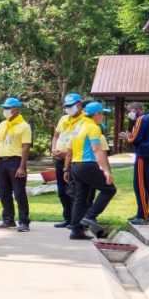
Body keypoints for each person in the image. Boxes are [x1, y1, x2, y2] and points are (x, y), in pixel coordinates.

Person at [65, 102, 116, 240]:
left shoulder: (79, 126)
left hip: (76, 166)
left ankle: (76, 231)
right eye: (102, 114)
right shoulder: (93, 127)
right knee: (109, 189)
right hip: (87, 165)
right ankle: (90, 216)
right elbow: (97, 149)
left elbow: (70, 149)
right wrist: (106, 171)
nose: (103, 117)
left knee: (80, 198)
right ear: (97, 114)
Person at [0, 97, 32, 232]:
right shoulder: (2, 125)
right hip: (3, 161)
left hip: (16, 161)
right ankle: (8, 220)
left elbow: (26, 147)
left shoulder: (24, 126)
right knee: (4, 192)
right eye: (4, 108)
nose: (5, 111)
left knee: (19, 193)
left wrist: (21, 166)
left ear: (16, 109)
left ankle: (24, 221)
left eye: (7, 108)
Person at [51, 93, 85, 229]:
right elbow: (56, 136)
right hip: (59, 160)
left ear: (79, 105)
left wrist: (66, 152)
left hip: (74, 161)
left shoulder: (84, 120)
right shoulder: (63, 119)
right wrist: (54, 149)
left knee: (74, 191)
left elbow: (82, 143)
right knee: (62, 191)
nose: (68, 108)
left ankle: (75, 220)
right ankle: (67, 218)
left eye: (71, 106)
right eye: (66, 106)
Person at [120, 101, 149, 226]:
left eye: (129, 111)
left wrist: (126, 136)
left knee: (140, 186)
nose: (129, 114)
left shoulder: (141, 119)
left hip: (144, 155)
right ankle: (141, 212)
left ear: (135, 109)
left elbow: (134, 139)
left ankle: (142, 215)